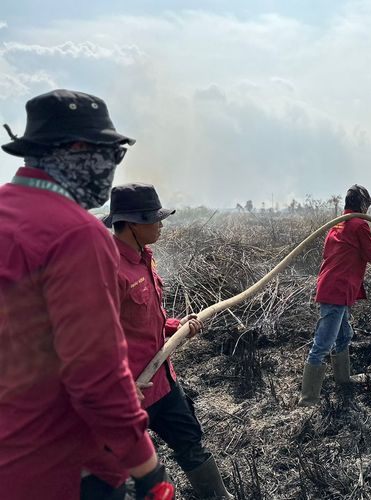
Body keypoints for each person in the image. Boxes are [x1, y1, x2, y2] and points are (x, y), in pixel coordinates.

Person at [0, 90, 171, 499]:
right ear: (77, 151)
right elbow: (94, 376)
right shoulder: (75, 232)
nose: (112, 169)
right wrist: (148, 470)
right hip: (54, 466)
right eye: (112, 155)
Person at [83, 183, 233, 499]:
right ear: (133, 224)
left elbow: (145, 319)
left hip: (163, 383)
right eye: (155, 218)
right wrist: (115, 387)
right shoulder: (107, 269)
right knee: (117, 473)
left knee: (191, 444)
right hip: (129, 394)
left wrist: (176, 326)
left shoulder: (144, 258)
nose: (161, 225)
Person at [298, 184, 371, 406]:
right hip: (337, 290)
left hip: (335, 288)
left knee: (343, 335)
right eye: (367, 205)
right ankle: (308, 399)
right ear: (362, 204)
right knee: (323, 343)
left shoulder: (339, 224)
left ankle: (344, 379)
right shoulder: (358, 224)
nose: (368, 210)